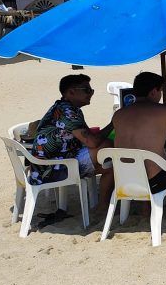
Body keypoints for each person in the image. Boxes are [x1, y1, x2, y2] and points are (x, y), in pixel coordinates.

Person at [112, 72, 166, 207]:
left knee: (147, 161)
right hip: (154, 182)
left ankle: (145, 212)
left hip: (125, 180)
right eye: (161, 91)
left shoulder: (118, 114)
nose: (161, 95)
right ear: (153, 92)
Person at [31, 74, 114, 212]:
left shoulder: (66, 108)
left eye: (91, 91)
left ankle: (102, 206)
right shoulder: (68, 112)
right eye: (87, 90)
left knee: (110, 167)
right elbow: (92, 142)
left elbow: (89, 136)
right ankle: (105, 206)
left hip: (49, 164)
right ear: (71, 92)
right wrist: (113, 125)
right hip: (51, 168)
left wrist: (111, 126)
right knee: (107, 147)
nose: (91, 94)